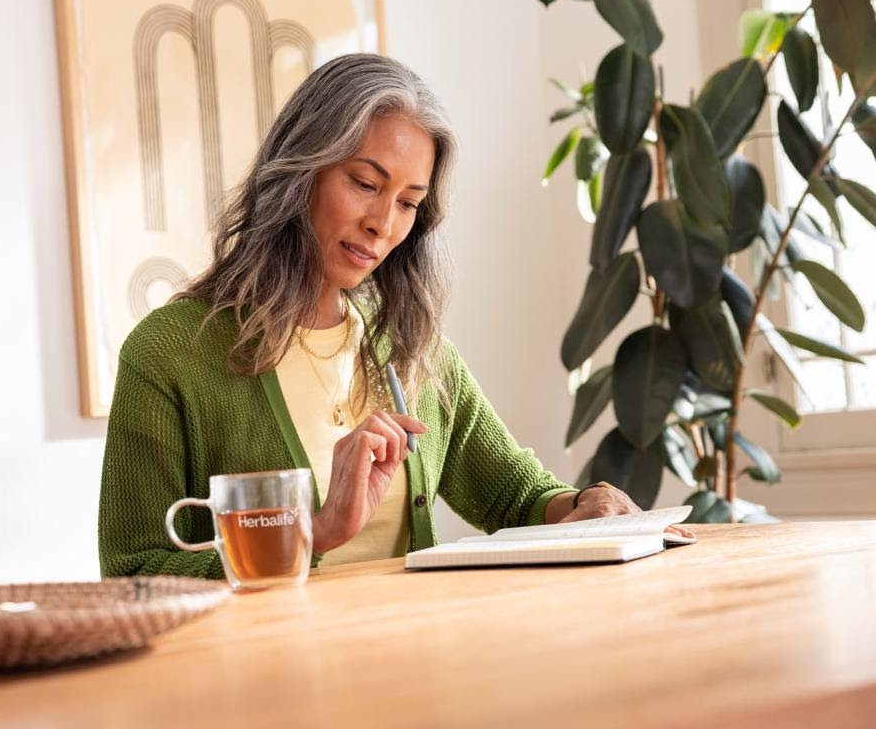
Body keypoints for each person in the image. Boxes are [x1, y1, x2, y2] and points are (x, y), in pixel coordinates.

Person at [99, 53, 691, 579]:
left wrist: (587, 505)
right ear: (301, 172)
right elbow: (134, 570)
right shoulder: (169, 353)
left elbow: (514, 494)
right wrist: (315, 532)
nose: (384, 224)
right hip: (267, 686)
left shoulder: (412, 349)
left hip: (409, 671)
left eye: (408, 202)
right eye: (364, 183)